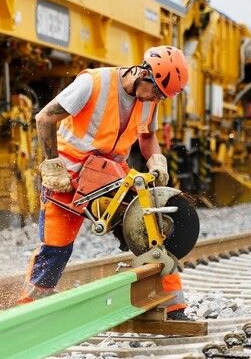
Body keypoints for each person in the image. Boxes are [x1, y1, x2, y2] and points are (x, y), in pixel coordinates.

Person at [21, 46, 189, 317]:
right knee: (55, 249)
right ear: (142, 73)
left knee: (150, 230)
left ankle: (173, 306)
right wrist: (53, 165)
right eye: (158, 91)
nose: (158, 99)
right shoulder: (93, 83)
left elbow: (147, 137)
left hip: (110, 177)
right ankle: (29, 310)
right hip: (69, 178)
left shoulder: (150, 98)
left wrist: (156, 159)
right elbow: (44, 118)